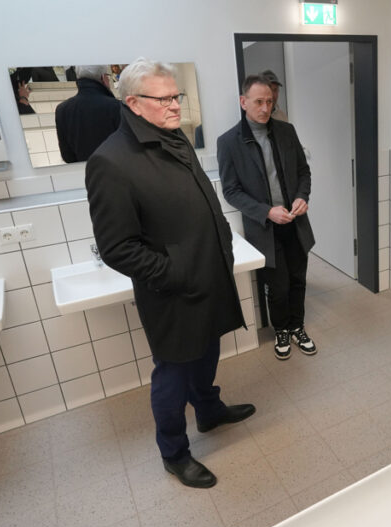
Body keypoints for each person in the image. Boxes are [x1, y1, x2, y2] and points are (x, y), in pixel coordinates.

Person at [86, 58, 255, 489]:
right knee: (173, 373)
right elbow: (117, 248)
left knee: (209, 350)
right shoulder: (112, 161)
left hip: (209, 274)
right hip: (174, 290)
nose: (175, 105)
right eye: (163, 99)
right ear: (134, 104)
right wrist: (177, 273)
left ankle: (210, 410)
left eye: (176, 95)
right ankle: (174, 452)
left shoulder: (173, 138)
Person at [217, 74, 316, 360]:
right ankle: (281, 330)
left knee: (298, 279)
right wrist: (266, 211)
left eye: (269, 102)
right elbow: (231, 191)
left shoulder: (286, 131)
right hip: (264, 227)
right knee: (277, 285)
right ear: (243, 101)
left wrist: (302, 197)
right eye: (258, 101)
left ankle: (298, 326)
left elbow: (303, 172)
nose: (265, 108)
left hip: (295, 221)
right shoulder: (228, 142)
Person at [55, 64, 122, 163]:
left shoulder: (62, 110)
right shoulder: (116, 107)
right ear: (103, 78)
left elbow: (67, 156)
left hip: (85, 174)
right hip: (116, 172)